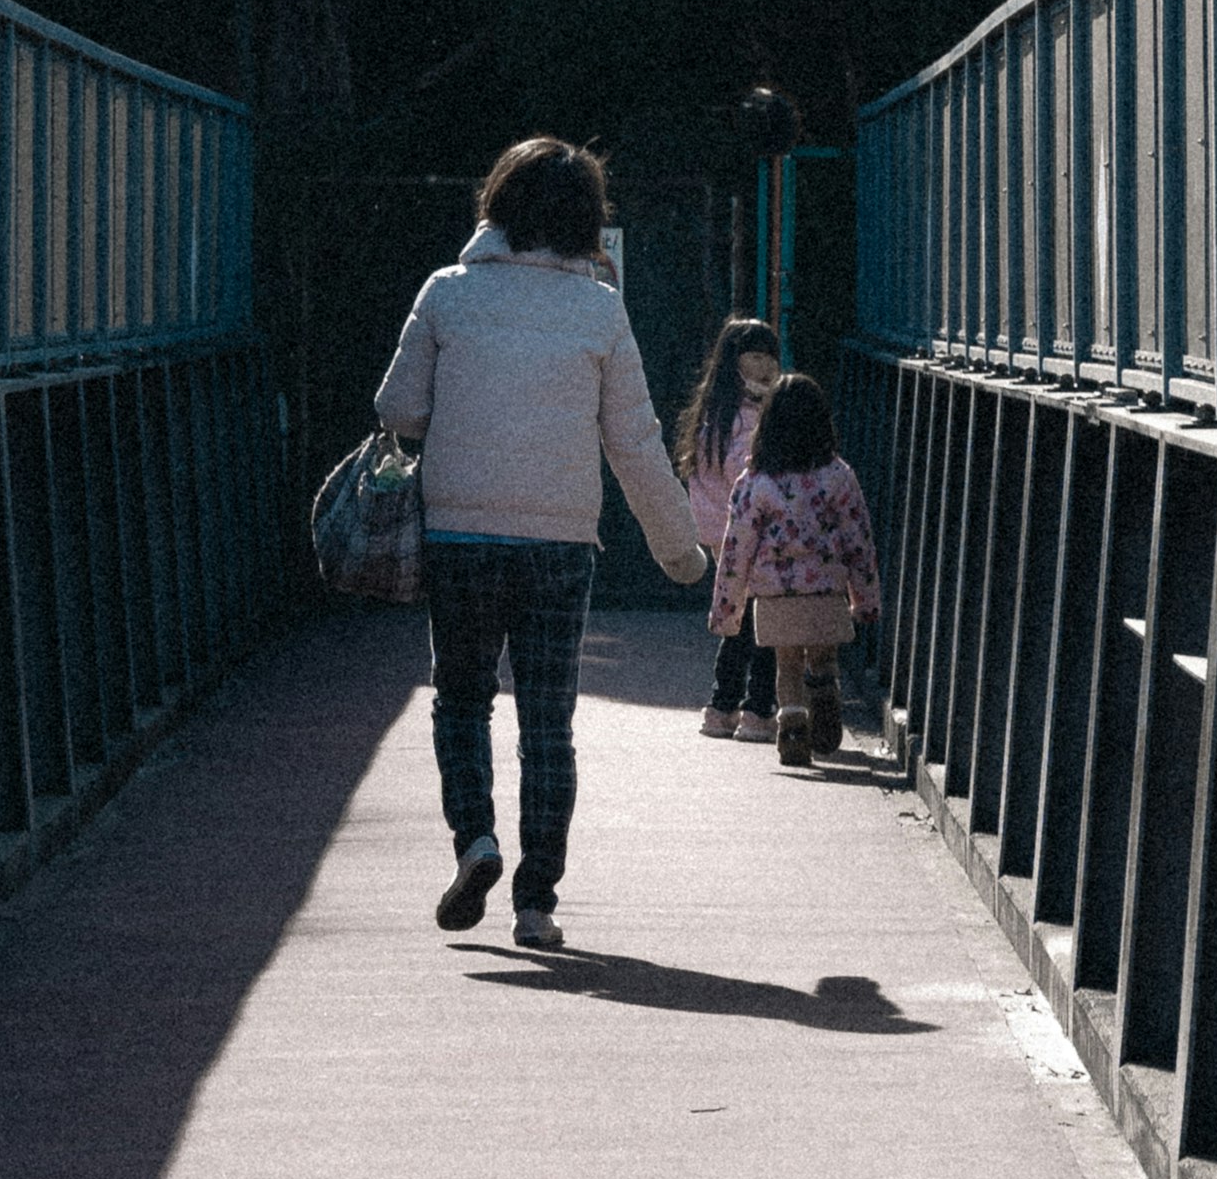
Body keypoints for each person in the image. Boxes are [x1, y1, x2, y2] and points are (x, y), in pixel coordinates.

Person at [373, 135, 705, 953]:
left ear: (497, 204)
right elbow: (634, 439)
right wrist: (678, 549)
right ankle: (537, 902)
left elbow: (398, 409)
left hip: (460, 533)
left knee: (462, 699)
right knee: (548, 722)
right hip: (561, 543)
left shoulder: (447, 293)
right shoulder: (599, 308)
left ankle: (475, 842)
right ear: (588, 220)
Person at [713, 371, 880, 769]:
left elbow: (736, 549)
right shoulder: (838, 476)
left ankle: (792, 724)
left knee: (786, 665)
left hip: (773, 596)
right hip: (825, 592)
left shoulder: (755, 481)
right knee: (822, 660)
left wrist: (727, 608)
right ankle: (824, 698)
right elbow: (859, 541)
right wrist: (866, 599)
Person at [677, 317, 782, 741]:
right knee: (763, 623)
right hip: (745, 532)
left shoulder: (716, 413)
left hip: (721, 531)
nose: (764, 365)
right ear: (734, 361)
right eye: (754, 355)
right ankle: (756, 709)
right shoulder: (746, 416)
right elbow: (745, 472)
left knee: (737, 620)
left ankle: (722, 708)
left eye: (770, 356)